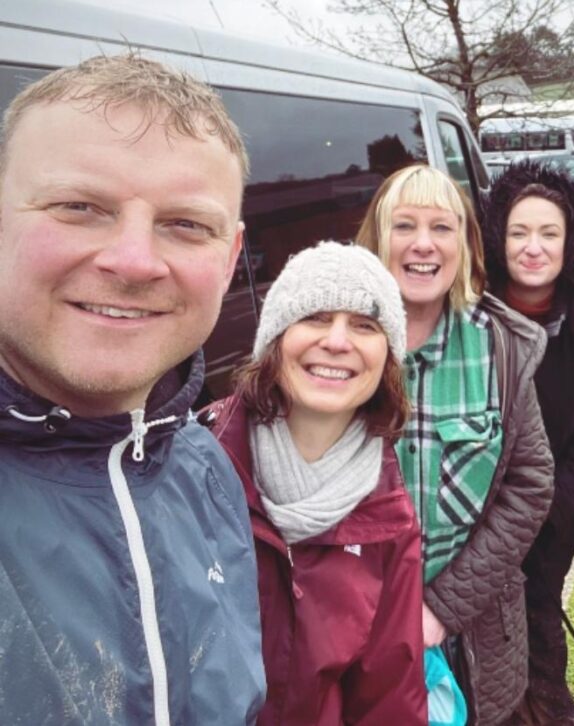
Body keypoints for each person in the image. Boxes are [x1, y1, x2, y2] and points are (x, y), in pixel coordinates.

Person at [0, 54, 265, 722]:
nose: (135, 261)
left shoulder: (206, 472)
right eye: (79, 207)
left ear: (231, 258)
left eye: (185, 225)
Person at [356, 164, 555, 725]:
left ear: (464, 244)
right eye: (405, 226)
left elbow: (530, 485)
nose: (423, 244)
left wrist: (442, 609)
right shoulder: (338, 339)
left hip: (471, 635)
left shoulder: (501, 348)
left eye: (442, 228)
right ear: (377, 240)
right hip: (356, 630)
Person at [203, 242, 426, 725]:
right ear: (276, 338)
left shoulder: (389, 515)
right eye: (316, 317)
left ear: (387, 357)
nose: (338, 342)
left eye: (365, 325)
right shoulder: (196, 467)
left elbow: (390, 696)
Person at [482, 160, 574, 726]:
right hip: (474, 510)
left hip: (549, 509)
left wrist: (562, 493)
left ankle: (547, 709)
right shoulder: (473, 317)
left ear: (570, 244)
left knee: (539, 616)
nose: (532, 247)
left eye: (548, 234)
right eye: (519, 232)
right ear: (498, 237)